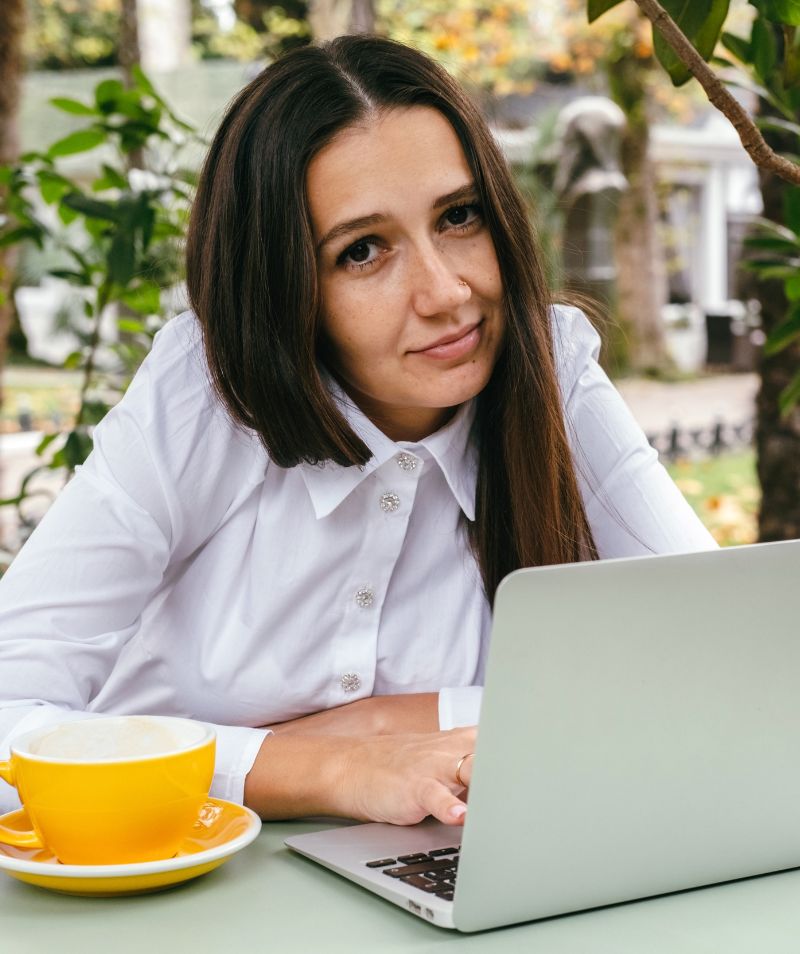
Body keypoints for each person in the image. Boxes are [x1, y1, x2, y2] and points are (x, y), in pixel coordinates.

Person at [0, 35, 715, 825]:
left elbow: (724, 665)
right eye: (364, 252)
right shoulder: (201, 399)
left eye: (459, 215)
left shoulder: (551, 372)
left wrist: (387, 720)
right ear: (281, 285)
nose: (447, 292)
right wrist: (321, 765)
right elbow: (8, 717)